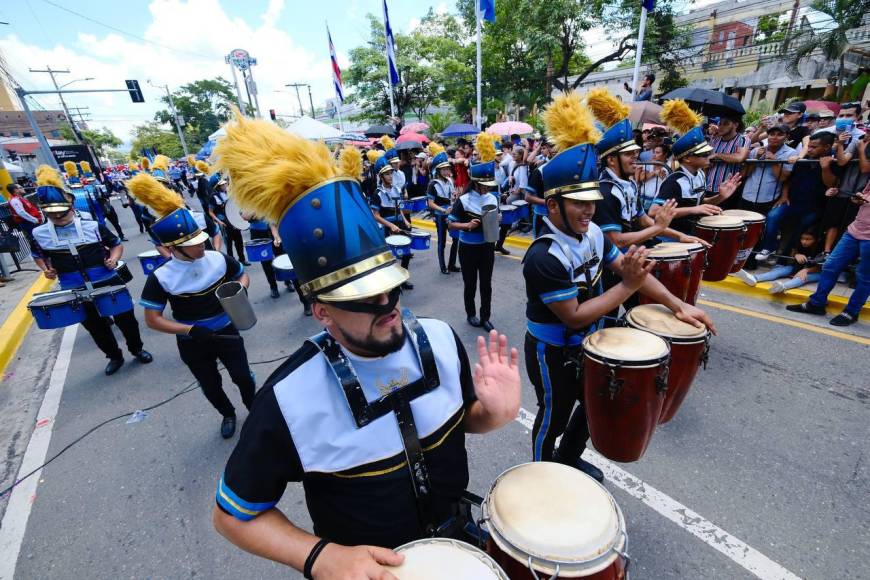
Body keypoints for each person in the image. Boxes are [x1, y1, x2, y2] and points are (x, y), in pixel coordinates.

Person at [209, 114, 521, 575]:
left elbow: (457, 425)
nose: (388, 305)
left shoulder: (439, 337)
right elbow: (233, 515)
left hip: (459, 550)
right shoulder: (288, 397)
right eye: (362, 298)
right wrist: (320, 557)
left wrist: (492, 413)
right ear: (321, 309)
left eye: (391, 286)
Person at [524, 92, 715, 482]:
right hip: (553, 350)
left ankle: (569, 458)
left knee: (590, 405)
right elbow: (575, 316)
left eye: (592, 201)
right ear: (552, 206)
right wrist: (627, 286)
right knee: (553, 414)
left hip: (592, 343)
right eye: (578, 202)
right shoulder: (543, 257)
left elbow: (630, 271)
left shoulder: (593, 231)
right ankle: (543, 477)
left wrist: (679, 306)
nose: (590, 210)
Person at [130, 173, 256, 439]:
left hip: (227, 330)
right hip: (193, 341)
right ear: (173, 247)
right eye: (191, 244)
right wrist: (189, 330)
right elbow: (152, 319)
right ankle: (227, 414)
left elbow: (241, 274)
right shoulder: (162, 276)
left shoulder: (217, 258)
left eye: (199, 239)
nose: (200, 245)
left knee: (243, 377)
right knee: (210, 384)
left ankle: (253, 408)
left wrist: (240, 288)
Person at [29, 165, 153, 376]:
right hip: (73, 285)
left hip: (105, 278)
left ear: (70, 206)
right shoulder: (39, 233)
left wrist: (114, 259)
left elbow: (115, 243)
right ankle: (114, 356)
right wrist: (47, 269)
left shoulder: (91, 225)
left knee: (126, 319)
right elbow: (38, 255)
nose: (58, 217)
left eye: (62, 212)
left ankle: (137, 349)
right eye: (53, 214)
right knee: (95, 327)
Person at [588, 88, 705, 248]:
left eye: (635, 151)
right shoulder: (606, 192)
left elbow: (644, 221)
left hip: (631, 256)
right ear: (611, 160)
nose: (636, 155)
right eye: (628, 153)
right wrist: (658, 228)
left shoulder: (628, 185)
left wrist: (681, 236)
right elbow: (615, 240)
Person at [650, 99, 742, 234]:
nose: (708, 155)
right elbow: (654, 211)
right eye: (703, 154)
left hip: (690, 232)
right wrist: (693, 210)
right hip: (671, 236)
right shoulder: (674, 181)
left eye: (708, 152)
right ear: (687, 158)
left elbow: (699, 202)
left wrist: (721, 197)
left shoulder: (699, 174)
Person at [787, 185, 868, 326]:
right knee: (830, 266)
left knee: (864, 276)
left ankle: (851, 312)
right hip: (854, 230)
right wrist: (860, 198)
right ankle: (817, 303)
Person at [757, 132, 837, 260]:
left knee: (801, 228)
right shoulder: (802, 160)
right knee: (772, 216)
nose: (809, 149)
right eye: (809, 146)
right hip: (792, 201)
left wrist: (825, 168)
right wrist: (784, 196)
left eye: (814, 147)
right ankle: (769, 247)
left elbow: (832, 184)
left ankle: (785, 258)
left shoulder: (833, 161)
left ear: (826, 147)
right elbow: (788, 180)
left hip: (814, 207)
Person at [449, 132, 500, 331]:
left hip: (487, 247)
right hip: (468, 248)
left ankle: (485, 316)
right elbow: (451, 224)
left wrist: (497, 219)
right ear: (476, 183)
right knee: (470, 284)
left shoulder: (493, 198)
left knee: (486, 284)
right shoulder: (464, 200)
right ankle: (471, 314)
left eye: (489, 186)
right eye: (484, 186)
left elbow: (495, 220)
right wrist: (466, 226)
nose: (487, 189)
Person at [822, 103, 867, 256]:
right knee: (833, 222)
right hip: (842, 188)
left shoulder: (859, 138)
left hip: (862, 192)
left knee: (850, 227)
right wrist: (840, 144)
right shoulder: (857, 140)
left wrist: (861, 150)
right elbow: (842, 161)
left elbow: (865, 168)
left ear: (858, 118)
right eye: (841, 116)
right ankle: (827, 253)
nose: (844, 119)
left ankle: (845, 262)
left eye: (849, 115)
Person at [371, 156, 414, 291]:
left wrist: (405, 220)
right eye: (387, 174)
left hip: (399, 224)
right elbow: (375, 216)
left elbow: (399, 208)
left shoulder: (396, 189)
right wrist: (390, 226)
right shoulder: (377, 193)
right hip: (386, 227)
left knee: (406, 253)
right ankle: (392, 283)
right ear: (381, 176)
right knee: (390, 257)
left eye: (391, 173)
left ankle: (403, 278)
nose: (390, 176)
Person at [426, 146, 460, 274]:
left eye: (448, 169)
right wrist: (442, 210)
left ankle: (452, 264)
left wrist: (455, 197)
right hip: (440, 215)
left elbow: (452, 196)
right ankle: (443, 266)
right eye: (444, 169)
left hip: (451, 213)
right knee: (442, 241)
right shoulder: (432, 184)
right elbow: (430, 203)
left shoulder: (450, 181)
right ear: (438, 170)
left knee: (456, 238)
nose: (447, 172)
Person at [706, 114, 750, 209]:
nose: (721, 127)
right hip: (708, 187)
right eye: (720, 124)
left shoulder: (742, 139)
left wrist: (717, 155)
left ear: (735, 125)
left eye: (726, 124)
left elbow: (740, 157)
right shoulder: (715, 139)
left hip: (728, 190)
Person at [208, 174, 248, 265]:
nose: (225, 185)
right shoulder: (213, 197)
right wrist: (219, 222)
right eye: (222, 185)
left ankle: (242, 259)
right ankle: (232, 261)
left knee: (239, 241)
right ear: (217, 186)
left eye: (224, 184)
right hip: (224, 222)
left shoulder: (229, 193)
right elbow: (210, 212)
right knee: (229, 244)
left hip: (233, 220)